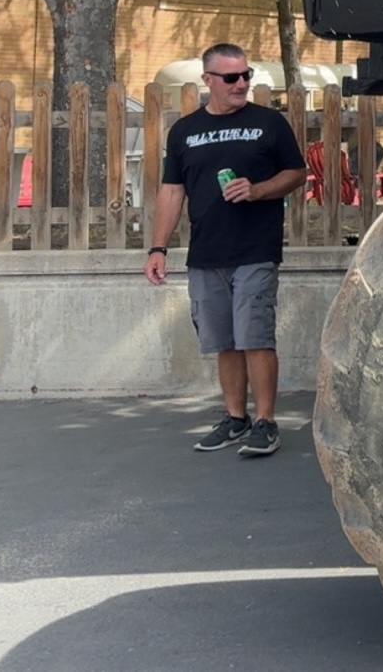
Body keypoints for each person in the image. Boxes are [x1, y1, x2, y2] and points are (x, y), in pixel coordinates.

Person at [143, 44, 307, 457]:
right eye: (231, 78)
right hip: (206, 253)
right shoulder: (185, 131)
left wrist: (258, 190)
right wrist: (157, 247)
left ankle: (266, 422)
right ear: (208, 81)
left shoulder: (268, 123)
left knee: (255, 337)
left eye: (246, 76)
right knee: (224, 341)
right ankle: (236, 417)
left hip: (255, 248)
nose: (241, 85)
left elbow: (296, 173)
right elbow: (172, 189)